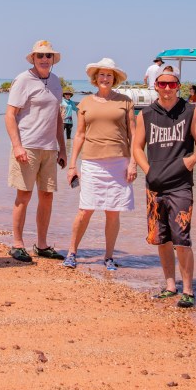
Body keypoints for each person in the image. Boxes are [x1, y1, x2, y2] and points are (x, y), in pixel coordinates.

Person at [132, 66, 196, 308]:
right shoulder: (145, 114)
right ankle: (170, 285)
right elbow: (136, 147)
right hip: (154, 185)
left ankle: (188, 290)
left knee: (181, 238)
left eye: (172, 84)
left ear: (178, 86)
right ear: (155, 86)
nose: (167, 88)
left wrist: (191, 160)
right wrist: (148, 169)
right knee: (160, 238)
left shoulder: (190, 110)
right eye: (162, 84)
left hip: (180, 184)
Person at [64, 58, 136, 271]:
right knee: (85, 210)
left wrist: (133, 163)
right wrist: (72, 165)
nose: (105, 78)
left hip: (119, 162)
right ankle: (71, 252)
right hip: (92, 163)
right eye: (102, 75)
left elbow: (134, 135)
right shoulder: (85, 103)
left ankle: (109, 257)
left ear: (114, 79)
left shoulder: (125, 101)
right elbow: (79, 135)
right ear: (96, 79)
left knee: (113, 212)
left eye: (109, 75)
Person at [4, 39, 67, 262]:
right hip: (27, 146)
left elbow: (58, 118)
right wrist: (17, 146)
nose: (44, 59)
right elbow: (10, 115)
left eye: (48, 56)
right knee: (24, 195)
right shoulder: (23, 79)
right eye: (40, 56)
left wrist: (63, 149)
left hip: (49, 148)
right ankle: (17, 244)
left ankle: (41, 245)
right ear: (33, 58)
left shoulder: (56, 81)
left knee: (47, 196)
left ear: (53, 59)